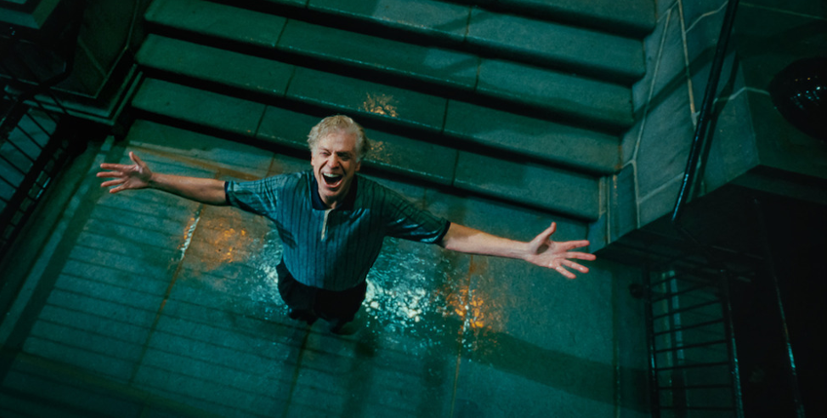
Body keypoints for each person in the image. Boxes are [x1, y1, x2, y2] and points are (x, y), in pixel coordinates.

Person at [97, 115, 595, 334]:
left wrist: (521, 250)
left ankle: (334, 323)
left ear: (358, 163)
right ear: (311, 156)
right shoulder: (284, 190)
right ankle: (302, 314)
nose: (333, 163)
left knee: (338, 316)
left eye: (345, 156)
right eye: (325, 153)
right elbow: (221, 191)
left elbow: (448, 234)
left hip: (346, 288)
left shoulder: (380, 204)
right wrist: (156, 179)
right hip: (294, 277)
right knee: (297, 305)